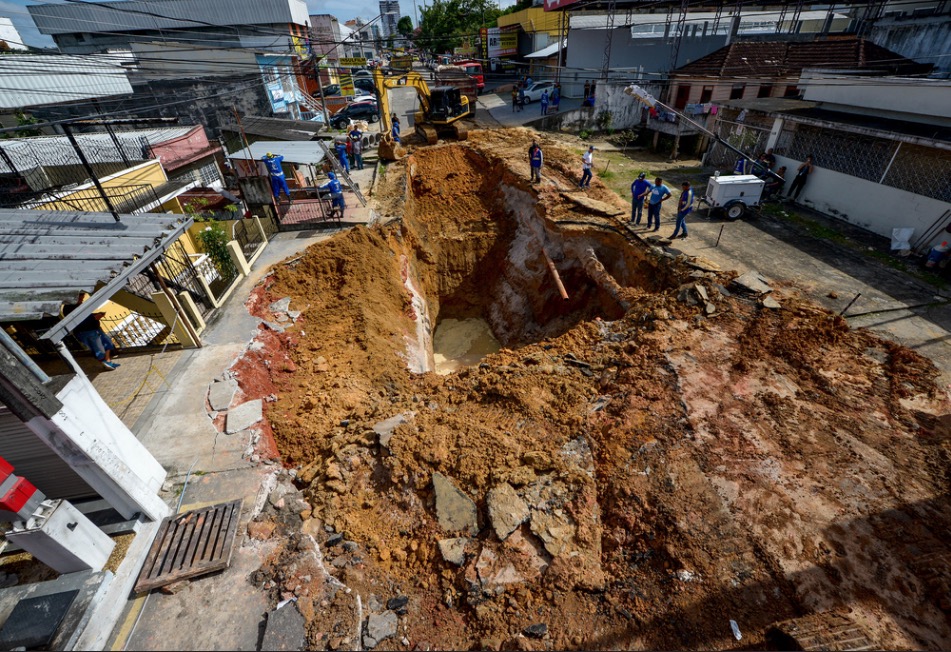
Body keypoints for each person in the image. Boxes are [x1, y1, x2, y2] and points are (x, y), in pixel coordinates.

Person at [64, 293, 120, 370]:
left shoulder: (79, 306)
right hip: (86, 331)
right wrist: (94, 318)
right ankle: (105, 363)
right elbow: (79, 322)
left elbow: (87, 316)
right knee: (98, 348)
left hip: (95, 328)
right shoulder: (69, 309)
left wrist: (95, 315)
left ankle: (108, 361)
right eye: (80, 299)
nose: (81, 301)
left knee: (107, 342)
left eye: (82, 299)